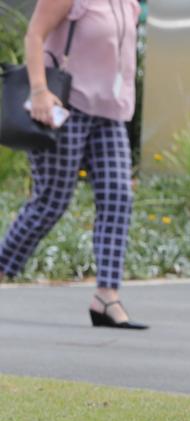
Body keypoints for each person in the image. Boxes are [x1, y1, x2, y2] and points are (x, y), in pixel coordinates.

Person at [1, 0, 147, 329]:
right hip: (67, 106)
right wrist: (39, 91)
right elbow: (34, 35)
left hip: (110, 113)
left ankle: (107, 296)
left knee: (118, 198)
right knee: (51, 200)